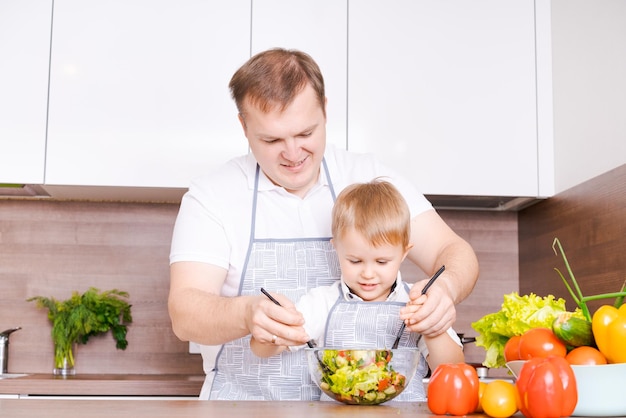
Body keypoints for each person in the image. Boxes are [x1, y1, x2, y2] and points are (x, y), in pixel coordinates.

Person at [168, 47, 479, 400]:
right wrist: (245, 313)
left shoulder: (369, 179)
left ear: (325, 111)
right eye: (271, 139)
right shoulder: (213, 195)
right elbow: (184, 310)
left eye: (305, 133)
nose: (292, 153)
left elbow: (455, 252)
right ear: (243, 125)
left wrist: (445, 290)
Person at [250, 179, 465, 401]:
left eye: (382, 262)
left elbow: (452, 365)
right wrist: (270, 335)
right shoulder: (323, 302)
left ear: (404, 253)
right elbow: (262, 350)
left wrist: (432, 329)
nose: (368, 273)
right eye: (355, 261)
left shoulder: (419, 304)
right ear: (336, 249)